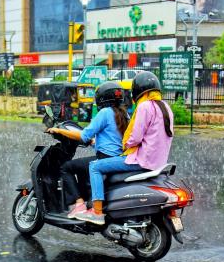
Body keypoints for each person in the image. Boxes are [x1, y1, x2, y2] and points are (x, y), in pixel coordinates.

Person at [75, 72, 174, 225]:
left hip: (142, 160)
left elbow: (135, 137)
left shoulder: (145, 107)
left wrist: (125, 145)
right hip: (159, 161)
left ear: (138, 92)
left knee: (94, 167)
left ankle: (97, 211)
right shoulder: (165, 107)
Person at [47, 82, 129, 218]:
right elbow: (111, 138)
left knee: (66, 167)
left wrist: (58, 130)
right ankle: (87, 201)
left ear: (102, 98)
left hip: (105, 159)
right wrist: (93, 142)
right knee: (82, 167)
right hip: (117, 159)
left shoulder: (105, 113)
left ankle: (79, 205)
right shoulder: (124, 115)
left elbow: (84, 135)